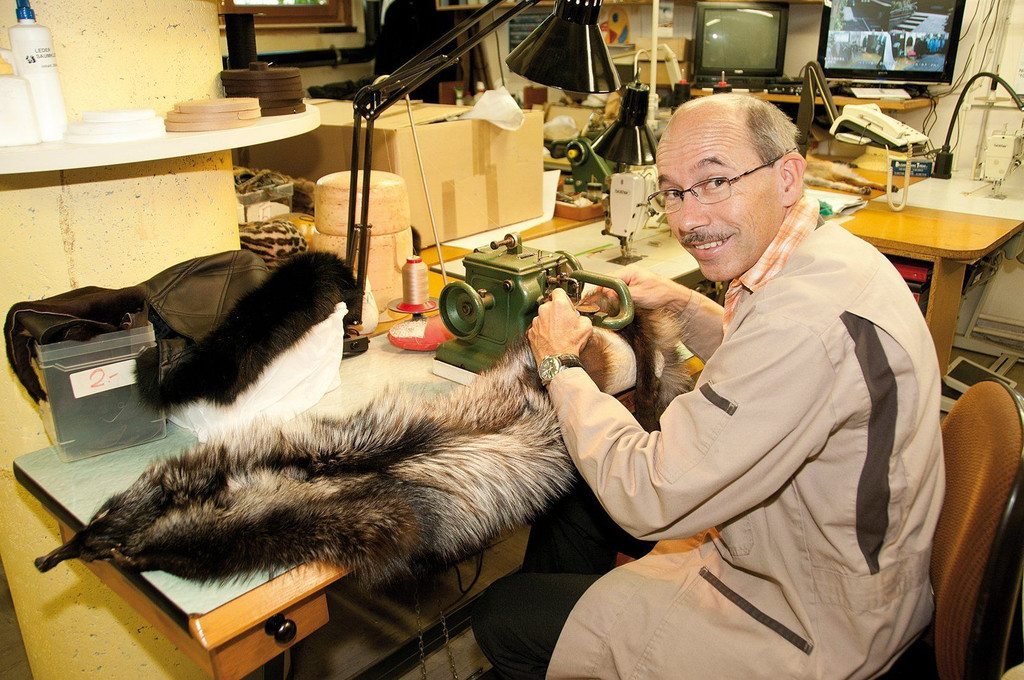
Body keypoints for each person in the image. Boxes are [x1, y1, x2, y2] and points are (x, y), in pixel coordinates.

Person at [472, 93, 944, 679]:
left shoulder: (802, 323)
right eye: (673, 192)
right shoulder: (830, 256)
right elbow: (772, 376)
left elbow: (650, 494)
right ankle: (585, 642)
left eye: (715, 182)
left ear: (787, 176)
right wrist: (682, 304)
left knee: (503, 615)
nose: (688, 220)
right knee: (574, 495)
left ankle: (581, 642)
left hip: (814, 617)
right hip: (813, 553)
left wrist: (559, 364)